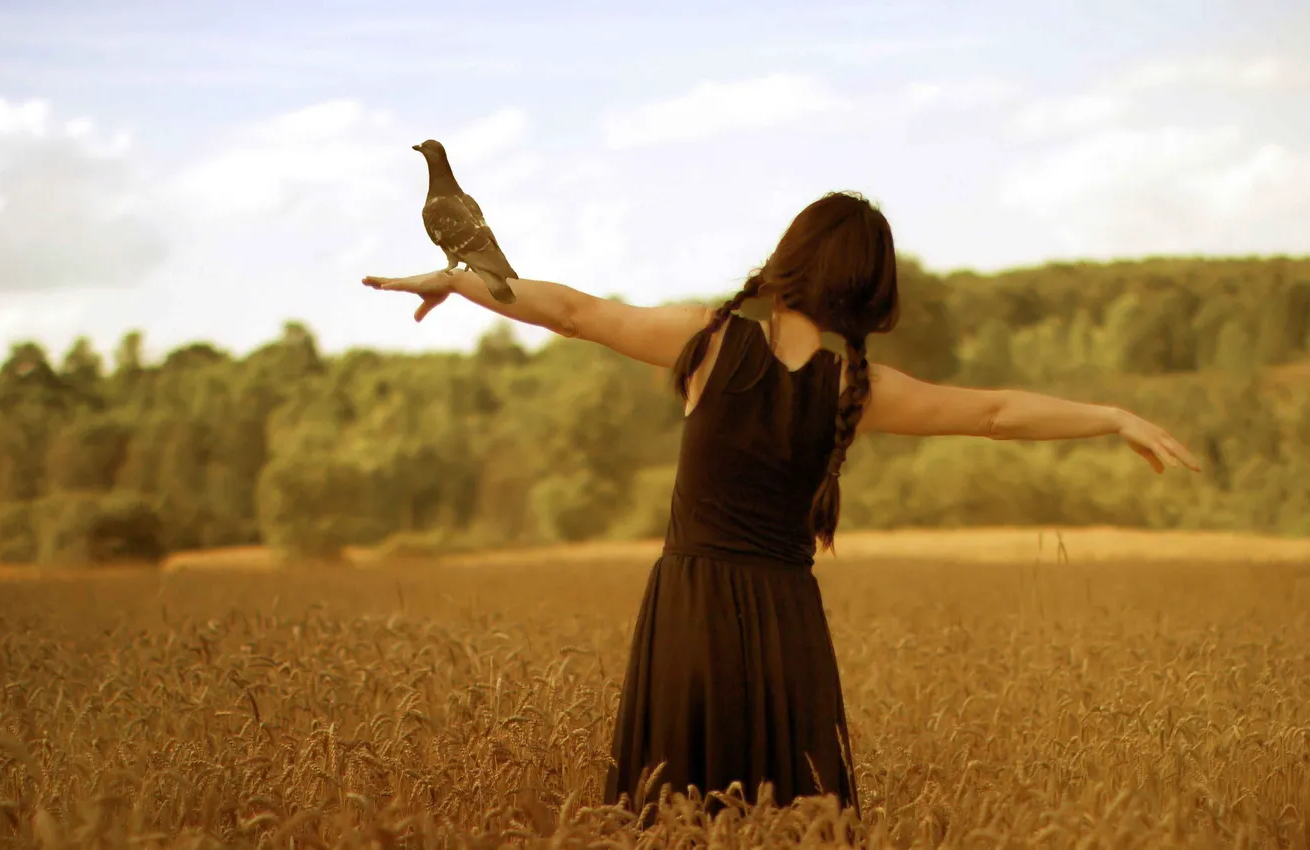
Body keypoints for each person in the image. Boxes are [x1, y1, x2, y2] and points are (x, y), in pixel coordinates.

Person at [362, 190, 1202, 814]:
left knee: (672, 814)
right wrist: (1112, 416)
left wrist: (462, 279)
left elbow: (574, 313)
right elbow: (991, 412)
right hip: (787, 631)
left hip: (688, 614)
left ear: (790, 261)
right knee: (789, 821)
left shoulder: (708, 342)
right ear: (867, 289)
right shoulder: (859, 388)